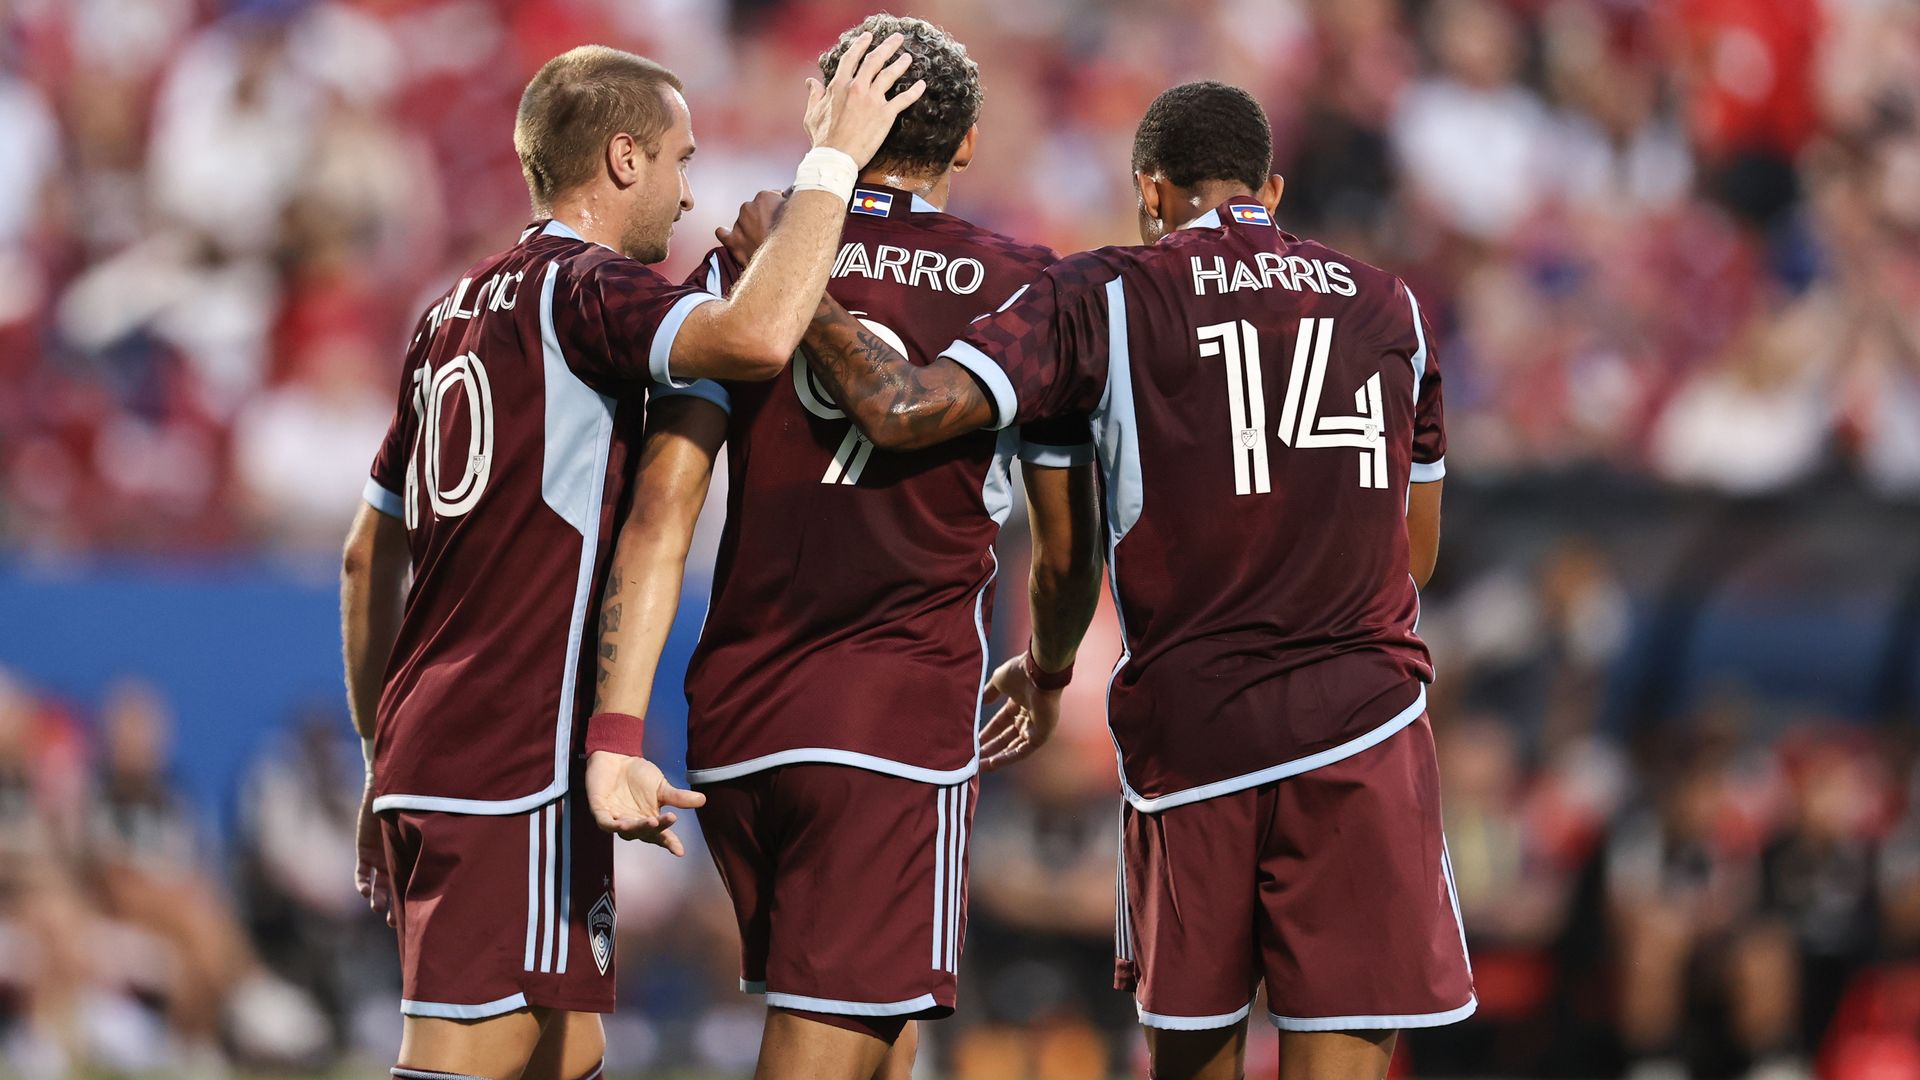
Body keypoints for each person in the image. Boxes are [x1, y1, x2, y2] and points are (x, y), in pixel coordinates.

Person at [720, 80, 1468, 1080]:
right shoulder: (1395, 306)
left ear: (1148, 192)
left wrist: (789, 267)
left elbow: (902, 408)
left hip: (1199, 742)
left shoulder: (1101, 293)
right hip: (1365, 736)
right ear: (1272, 190)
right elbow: (1413, 554)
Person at [337, 37, 926, 1080]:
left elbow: (362, 555)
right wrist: (830, 165)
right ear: (622, 159)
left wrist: (386, 751)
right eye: (679, 160)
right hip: (508, 753)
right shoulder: (585, 291)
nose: (687, 191)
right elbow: (752, 340)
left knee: (564, 1056)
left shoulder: (444, 319)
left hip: (453, 745)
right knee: (461, 1059)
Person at [590, 17, 1104, 1080]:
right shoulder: (1023, 281)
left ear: (828, 119)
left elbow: (661, 515)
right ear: (965, 147)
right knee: (831, 1041)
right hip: (889, 718)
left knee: (878, 1031)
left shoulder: (744, 265)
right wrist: (1049, 670)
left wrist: (621, 725)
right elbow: (1061, 548)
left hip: (738, 718)